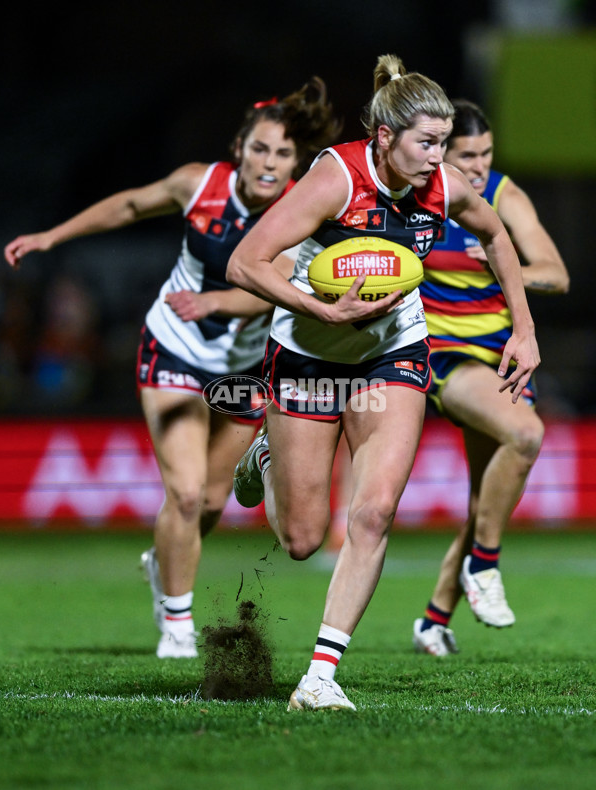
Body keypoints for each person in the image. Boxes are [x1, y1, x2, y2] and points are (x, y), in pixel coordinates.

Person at [227, 55, 540, 711]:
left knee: (372, 512)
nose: (438, 159)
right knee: (302, 538)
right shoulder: (335, 178)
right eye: (426, 143)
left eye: (443, 144)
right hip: (308, 355)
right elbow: (245, 261)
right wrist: (321, 308)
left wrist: (525, 329)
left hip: (392, 354)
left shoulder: (443, 187)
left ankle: (320, 675)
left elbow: (497, 236)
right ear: (384, 137)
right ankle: (265, 453)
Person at [4, 78, 342, 659]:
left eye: (283, 153)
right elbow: (132, 203)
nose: (268, 162)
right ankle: (177, 625)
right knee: (184, 495)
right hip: (173, 351)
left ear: (295, 163)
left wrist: (215, 302)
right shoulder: (199, 184)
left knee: (210, 503)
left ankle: (163, 561)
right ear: (240, 147)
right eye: (259, 148)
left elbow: (270, 291)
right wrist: (53, 235)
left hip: (240, 371)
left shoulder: (298, 212)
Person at [412, 99, 569, 657]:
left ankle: (433, 620)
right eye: (466, 156)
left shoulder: (504, 197)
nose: (478, 167)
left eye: (486, 154)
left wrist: (504, 264)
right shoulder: (421, 198)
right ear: (440, 154)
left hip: (499, 356)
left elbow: (556, 274)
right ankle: (486, 564)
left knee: (486, 499)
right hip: (444, 354)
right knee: (525, 435)